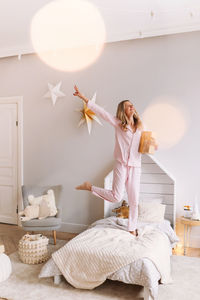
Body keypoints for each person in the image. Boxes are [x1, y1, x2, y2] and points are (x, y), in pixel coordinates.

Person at [73, 85, 158, 236]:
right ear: (123, 110)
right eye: (128, 106)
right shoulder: (118, 124)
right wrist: (84, 98)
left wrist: (154, 144)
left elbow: (148, 144)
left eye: (132, 105)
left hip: (135, 167)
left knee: (134, 200)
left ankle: (131, 228)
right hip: (121, 165)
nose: (132, 107)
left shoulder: (140, 127)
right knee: (116, 197)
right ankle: (90, 187)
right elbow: (102, 113)